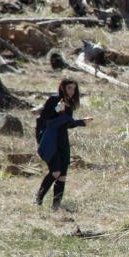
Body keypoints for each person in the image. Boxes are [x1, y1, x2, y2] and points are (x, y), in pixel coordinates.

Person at [34, 79, 92, 210]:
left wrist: (82, 122)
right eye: (69, 88)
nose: (72, 91)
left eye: (74, 89)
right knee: (55, 172)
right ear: (63, 88)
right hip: (50, 140)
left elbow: (67, 124)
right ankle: (38, 199)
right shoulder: (54, 100)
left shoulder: (69, 104)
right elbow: (45, 119)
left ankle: (56, 206)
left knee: (63, 175)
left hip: (63, 141)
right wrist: (56, 110)